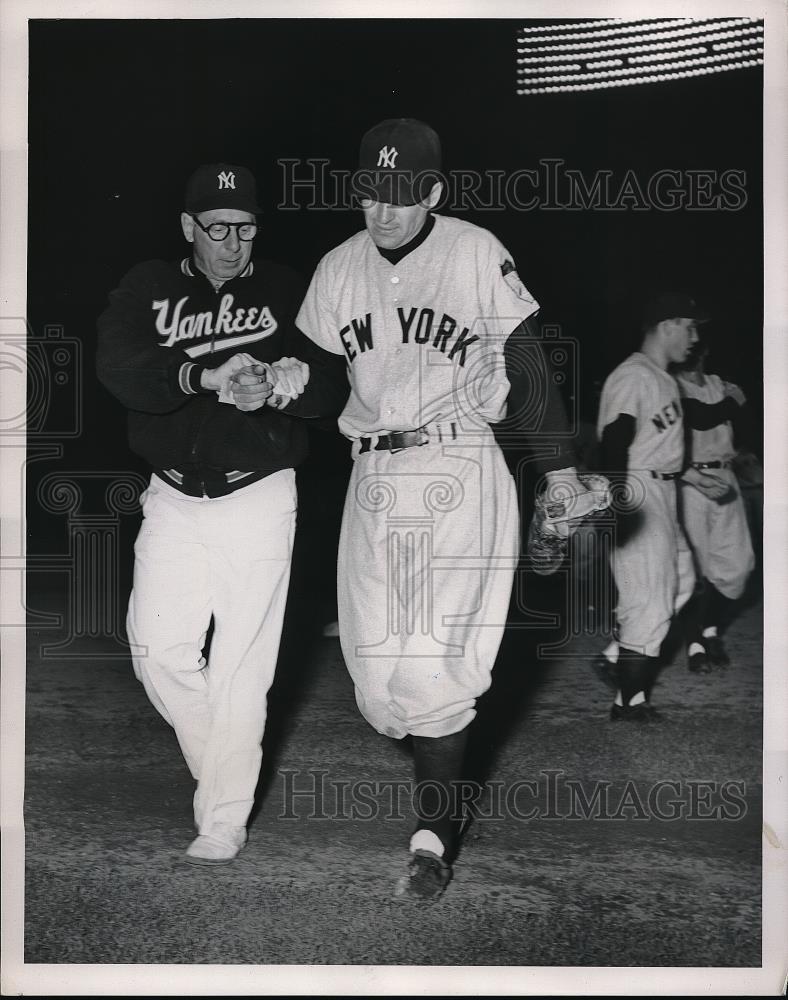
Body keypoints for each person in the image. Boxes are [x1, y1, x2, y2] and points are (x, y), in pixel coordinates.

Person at [252, 118, 595, 900]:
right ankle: (443, 795)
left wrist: (561, 471)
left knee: (436, 669)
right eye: (370, 193)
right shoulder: (339, 267)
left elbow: (526, 363)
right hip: (373, 478)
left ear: (433, 192)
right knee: (380, 682)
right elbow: (325, 380)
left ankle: (434, 838)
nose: (383, 211)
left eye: (401, 196)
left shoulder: (474, 251)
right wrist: (285, 384)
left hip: (459, 463)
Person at [96, 162, 344, 865]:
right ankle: (227, 772)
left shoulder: (287, 290)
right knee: (156, 651)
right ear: (188, 227)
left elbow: (331, 386)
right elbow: (119, 366)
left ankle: (224, 819)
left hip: (259, 493)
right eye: (219, 229)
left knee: (242, 667)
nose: (235, 243)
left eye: (246, 228)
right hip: (173, 495)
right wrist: (205, 375)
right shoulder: (149, 286)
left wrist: (293, 382)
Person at [592, 293, 746, 721]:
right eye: (690, 327)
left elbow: (653, 448)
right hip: (638, 494)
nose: (695, 338)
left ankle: (618, 664)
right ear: (667, 325)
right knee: (647, 604)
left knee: (680, 583)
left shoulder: (662, 378)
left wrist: (695, 477)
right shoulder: (633, 375)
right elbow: (615, 444)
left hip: (662, 490)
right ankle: (629, 704)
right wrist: (619, 507)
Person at [675, 339, 756, 670]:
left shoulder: (719, 384)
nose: (694, 352)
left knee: (739, 564)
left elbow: (742, 418)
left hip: (725, 477)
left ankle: (709, 629)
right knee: (693, 568)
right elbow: (701, 417)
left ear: (706, 350)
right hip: (690, 482)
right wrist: (733, 402)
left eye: (699, 348)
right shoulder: (670, 385)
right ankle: (697, 640)